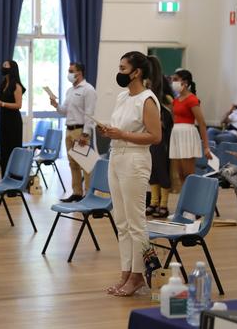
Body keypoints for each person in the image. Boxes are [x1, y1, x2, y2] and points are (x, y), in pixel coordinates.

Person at [99, 51, 161, 297]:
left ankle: (139, 274)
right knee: (121, 222)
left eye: (123, 68)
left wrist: (122, 135)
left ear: (136, 72)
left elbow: (155, 136)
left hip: (135, 159)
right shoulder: (123, 96)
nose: (120, 72)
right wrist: (111, 132)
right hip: (116, 156)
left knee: (136, 222)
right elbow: (122, 129)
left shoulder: (147, 99)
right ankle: (126, 271)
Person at [50, 62, 97, 202]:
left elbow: (90, 114)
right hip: (69, 130)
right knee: (73, 164)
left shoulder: (88, 90)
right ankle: (77, 193)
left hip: (80, 130)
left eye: (71, 71)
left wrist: (85, 133)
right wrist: (56, 105)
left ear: (80, 72)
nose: (69, 74)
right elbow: (65, 111)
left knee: (86, 165)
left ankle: (89, 195)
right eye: (68, 70)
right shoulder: (70, 91)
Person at [169, 69, 212, 194]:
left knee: (189, 175)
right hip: (176, 134)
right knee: (181, 175)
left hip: (188, 135)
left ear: (185, 82)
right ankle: (184, 207)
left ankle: (192, 209)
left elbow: (202, 123)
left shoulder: (192, 99)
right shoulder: (176, 100)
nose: (173, 82)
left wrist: (206, 147)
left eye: (176, 79)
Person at [146, 57, 174, 218]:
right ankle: (154, 202)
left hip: (163, 138)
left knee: (162, 170)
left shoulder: (166, 98)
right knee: (152, 171)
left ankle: (164, 204)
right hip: (149, 137)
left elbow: (171, 119)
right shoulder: (146, 93)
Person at [0, 60, 26, 175]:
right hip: (4, 119)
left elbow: (18, 105)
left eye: (5, 65)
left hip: (13, 121)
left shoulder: (16, 86)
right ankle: (5, 177)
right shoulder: (4, 83)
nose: (3, 67)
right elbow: (0, 100)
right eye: (2, 65)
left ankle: (14, 179)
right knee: (4, 150)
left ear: (12, 68)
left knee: (12, 149)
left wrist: (2, 104)